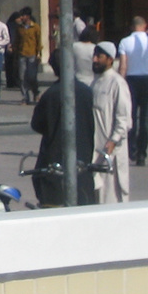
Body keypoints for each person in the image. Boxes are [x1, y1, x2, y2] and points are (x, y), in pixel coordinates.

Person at [30, 75, 96, 206]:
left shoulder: (51, 93)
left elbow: (37, 124)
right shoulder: (87, 92)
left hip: (53, 168)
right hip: (84, 167)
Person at [90, 41, 132, 203]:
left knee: (111, 197)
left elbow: (124, 119)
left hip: (111, 152)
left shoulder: (118, 83)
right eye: (94, 56)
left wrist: (113, 141)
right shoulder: (94, 83)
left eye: (99, 57)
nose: (95, 60)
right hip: (95, 151)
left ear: (109, 59)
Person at [118, 15, 148, 167]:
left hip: (131, 81)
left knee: (131, 117)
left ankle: (132, 150)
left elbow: (123, 66)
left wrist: (121, 82)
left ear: (132, 27)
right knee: (145, 119)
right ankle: (142, 154)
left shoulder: (125, 42)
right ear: (144, 26)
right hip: (146, 81)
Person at [13, 9, 42, 106]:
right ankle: (25, 97)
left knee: (31, 76)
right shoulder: (19, 28)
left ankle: (36, 92)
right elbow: (17, 41)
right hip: (22, 55)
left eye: (23, 15)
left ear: (28, 16)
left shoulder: (35, 27)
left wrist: (39, 53)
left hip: (32, 55)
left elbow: (38, 41)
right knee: (22, 77)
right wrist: (14, 52)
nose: (21, 18)